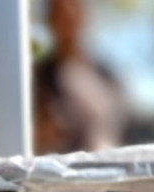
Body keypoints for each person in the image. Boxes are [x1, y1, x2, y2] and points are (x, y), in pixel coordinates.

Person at [34, 0, 128, 154]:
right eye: (59, 12)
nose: (67, 16)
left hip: (109, 164)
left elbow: (121, 127)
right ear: (49, 19)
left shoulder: (106, 75)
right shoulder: (37, 79)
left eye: (73, 6)